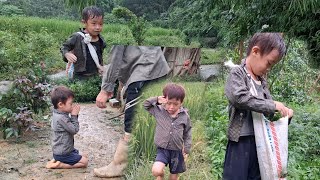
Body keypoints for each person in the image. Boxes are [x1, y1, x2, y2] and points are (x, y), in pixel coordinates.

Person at [223, 33, 294, 179]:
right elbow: (239, 97)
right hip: (240, 141)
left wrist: (284, 115)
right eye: (269, 63)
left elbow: (268, 112)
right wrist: (272, 105)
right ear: (255, 52)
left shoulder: (262, 82)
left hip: (261, 142)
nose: (269, 69)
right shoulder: (237, 73)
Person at [93, 45, 170, 177]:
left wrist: (105, 89)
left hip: (143, 73)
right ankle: (147, 160)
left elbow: (115, 59)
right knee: (152, 119)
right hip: (159, 70)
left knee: (132, 122)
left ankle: (119, 165)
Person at [143, 83, 192, 180]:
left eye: (175, 104)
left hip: (177, 152)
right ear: (164, 100)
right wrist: (156, 99)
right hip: (163, 150)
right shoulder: (158, 111)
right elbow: (145, 105)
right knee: (156, 171)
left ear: (181, 103)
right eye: (169, 103)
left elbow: (187, 132)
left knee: (174, 177)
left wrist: (186, 148)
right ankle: (161, 175)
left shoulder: (184, 116)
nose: (171, 107)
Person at [46, 86, 88, 169]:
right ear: (61, 104)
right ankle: (61, 165)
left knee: (85, 155)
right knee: (85, 162)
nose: (72, 106)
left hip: (63, 150)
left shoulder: (58, 113)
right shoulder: (61, 118)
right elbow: (75, 130)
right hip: (63, 153)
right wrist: (74, 115)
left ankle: (56, 159)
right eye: (70, 104)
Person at [61, 6, 106, 79]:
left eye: (100, 24)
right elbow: (64, 47)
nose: (98, 27)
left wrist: (101, 66)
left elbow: (100, 55)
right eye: (94, 23)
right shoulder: (77, 37)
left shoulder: (101, 39)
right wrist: (67, 54)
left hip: (95, 75)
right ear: (84, 23)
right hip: (80, 76)